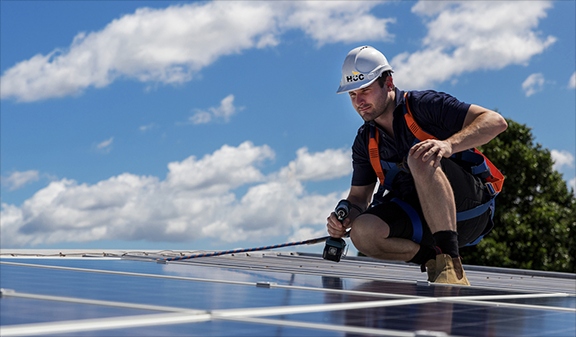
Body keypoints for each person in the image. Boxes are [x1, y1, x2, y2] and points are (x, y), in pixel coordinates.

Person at [326, 46, 508, 285]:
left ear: (388, 82)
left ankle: (450, 262)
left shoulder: (425, 106)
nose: (359, 101)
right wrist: (344, 217)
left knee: (420, 155)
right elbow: (359, 199)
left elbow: (495, 122)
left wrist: (448, 145)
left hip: (468, 211)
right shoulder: (365, 142)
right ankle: (431, 259)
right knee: (362, 232)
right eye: (352, 95)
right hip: (422, 220)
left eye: (365, 90)